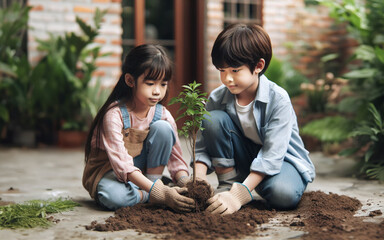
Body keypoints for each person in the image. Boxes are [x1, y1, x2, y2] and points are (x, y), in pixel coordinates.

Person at [194, 23, 316, 215]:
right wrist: (198, 181)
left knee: (282, 195)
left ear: (258, 66)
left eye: (234, 70)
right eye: (222, 70)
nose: (227, 79)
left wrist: (239, 196)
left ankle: (247, 186)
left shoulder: (278, 99)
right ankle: (229, 184)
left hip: (282, 160)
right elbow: (202, 147)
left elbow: (272, 154)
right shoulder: (218, 97)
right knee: (213, 119)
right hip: (245, 157)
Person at [82, 44, 194, 212]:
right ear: (130, 81)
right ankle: (153, 193)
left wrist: (185, 182)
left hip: (143, 174)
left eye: (163, 84)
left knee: (163, 128)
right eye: (150, 83)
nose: (157, 91)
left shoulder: (163, 114)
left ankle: (150, 187)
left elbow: (175, 159)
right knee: (113, 197)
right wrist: (161, 193)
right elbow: (123, 166)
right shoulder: (114, 115)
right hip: (110, 170)